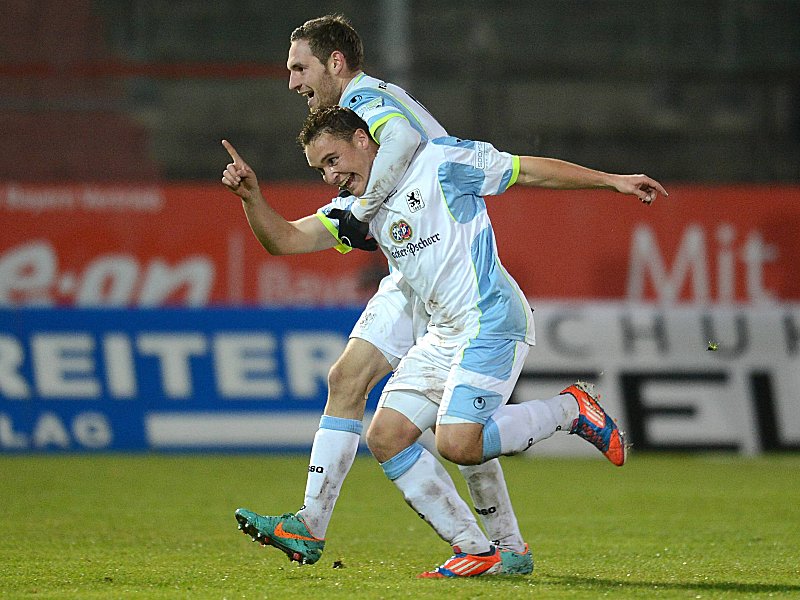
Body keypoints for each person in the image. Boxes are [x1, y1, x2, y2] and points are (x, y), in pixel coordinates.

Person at [223, 106, 667, 577]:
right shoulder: (360, 208)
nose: (332, 175)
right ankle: (476, 548)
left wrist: (611, 179)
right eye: (321, 170)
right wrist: (252, 197)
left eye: (334, 159)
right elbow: (287, 240)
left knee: (458, 444)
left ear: (362, 138)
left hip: (490, 321)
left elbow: (526, 170)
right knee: (386, 437)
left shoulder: (440, 162)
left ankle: (571, 409)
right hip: (442, 333)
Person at [231, 14, 532, 574]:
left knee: (455, 422)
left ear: (336, 64)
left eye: (301, 68)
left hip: (436, 253)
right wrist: (255, 199)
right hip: (410, 257)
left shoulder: (366, 101)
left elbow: (403, 138)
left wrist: (365, 209)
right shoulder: (357, 119)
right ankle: (312, 525)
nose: (294, 82)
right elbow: (290, 238)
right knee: (349, 380)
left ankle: (504, 544)